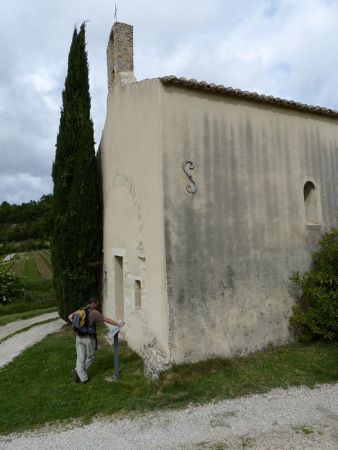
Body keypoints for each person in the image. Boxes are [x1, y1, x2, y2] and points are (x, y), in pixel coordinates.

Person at [68, 297, 124, 383]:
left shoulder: (82, 309)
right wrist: (118, 324)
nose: (97, 305)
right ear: (93, 304)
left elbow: (70, 317)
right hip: (88, 338)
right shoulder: (94, 312)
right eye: (97, 304)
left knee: (80, 357)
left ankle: (82, 377)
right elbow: (106, 319)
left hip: (78, 337)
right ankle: (78, 371)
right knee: (91, 357)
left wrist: (80, 328)